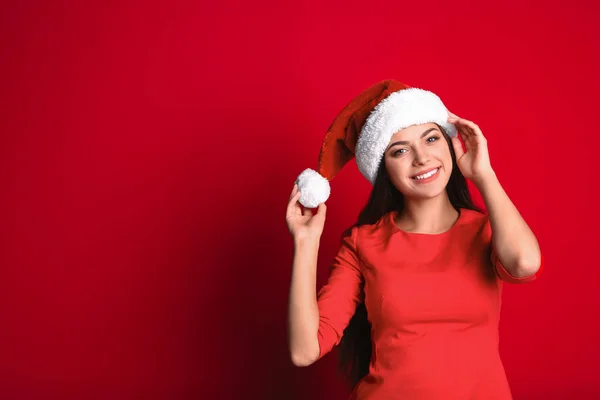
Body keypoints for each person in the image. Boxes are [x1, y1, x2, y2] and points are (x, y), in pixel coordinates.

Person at [285, 79, 543, 399]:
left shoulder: (487, 231)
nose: (421, 158)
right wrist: (306, 243)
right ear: (385, 170)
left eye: (431, 138)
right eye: (400, 150)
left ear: (450, 143)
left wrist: (483, 174)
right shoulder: (363, 243)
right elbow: (304, 350)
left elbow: (525, 263)